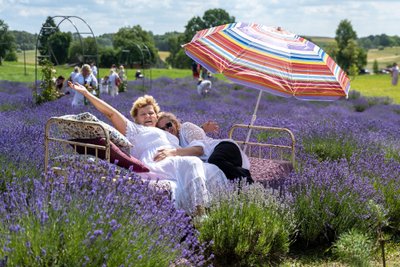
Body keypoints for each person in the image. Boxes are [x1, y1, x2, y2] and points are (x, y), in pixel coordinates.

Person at [67, 81, 227, 215]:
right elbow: (111, 114)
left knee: (213, 169)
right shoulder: (135, 130)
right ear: (135, 119)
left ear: (157, 116)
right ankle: (200, 214)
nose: (148, 116)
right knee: (192, 163)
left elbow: (190, 139)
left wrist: (202, 129)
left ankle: (219, 212)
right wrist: (87, 93)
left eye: (151, 113)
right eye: (143, 114)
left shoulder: (169, 134)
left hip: (176, 159)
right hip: (156, 162)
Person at [156, 112, 253, 184]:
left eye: (168, 125)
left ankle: (246, 178)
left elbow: (199, 150)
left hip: (224, 147)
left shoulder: (185, 127)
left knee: (215, 160)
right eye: (163, 129)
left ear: (175, 123)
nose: (167, 129)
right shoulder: (174, 143)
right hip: (223, 160)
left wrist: (172, 152)